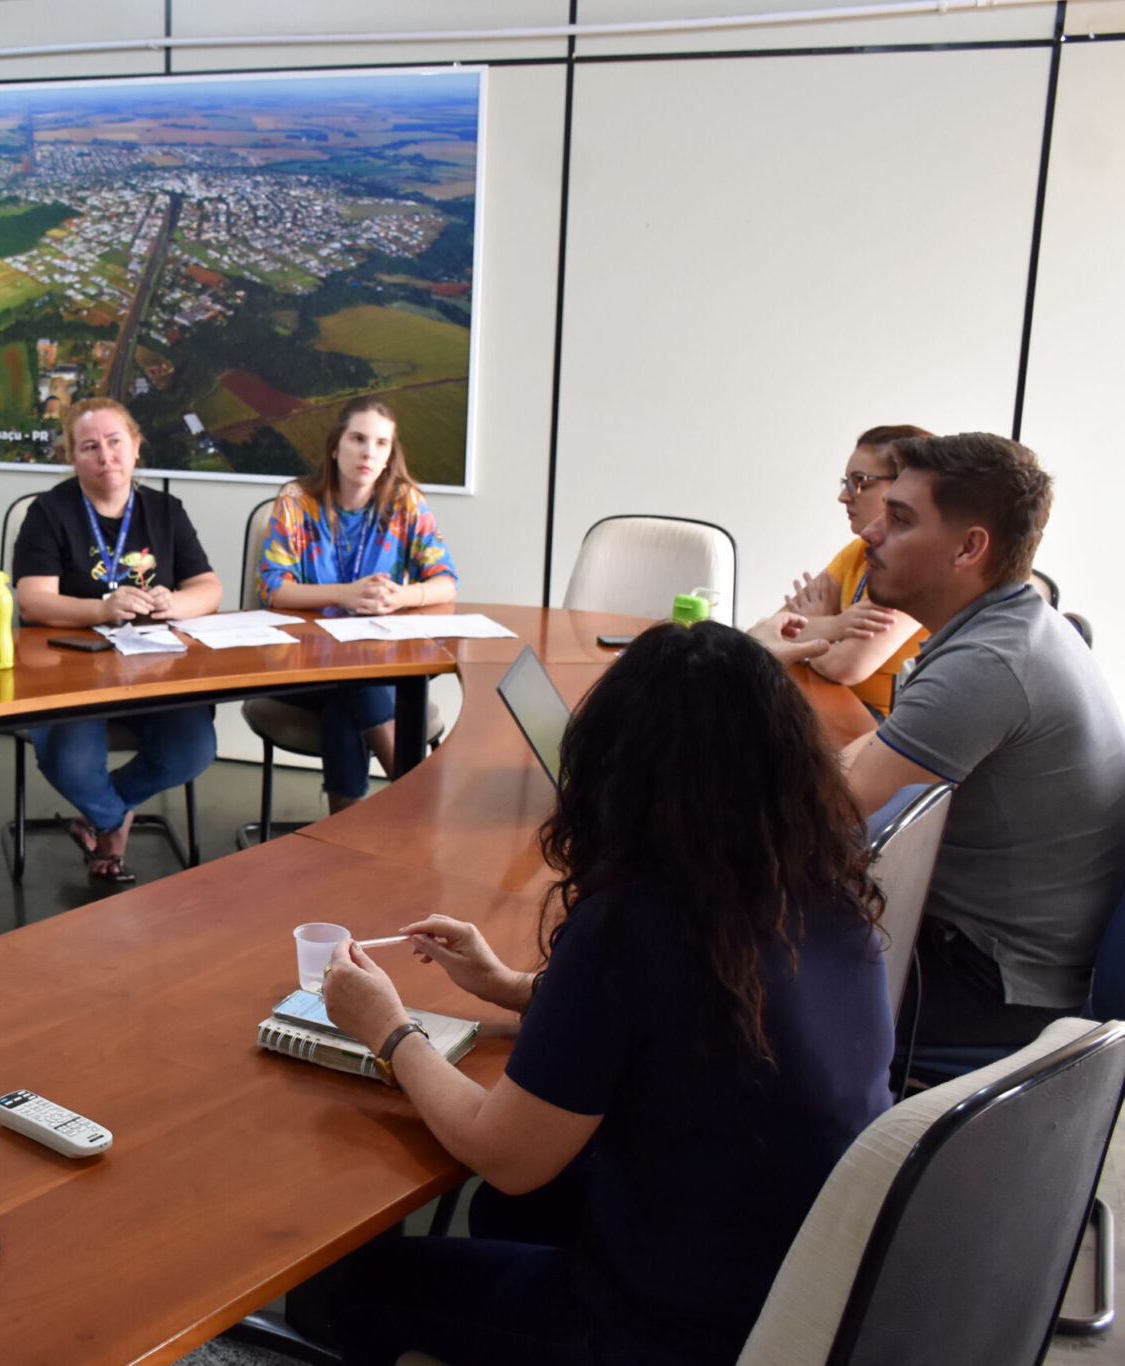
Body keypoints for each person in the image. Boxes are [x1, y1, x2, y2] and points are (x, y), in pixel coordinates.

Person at [316, 621, 892, 1365]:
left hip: (672, 1332)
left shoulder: (637, 921)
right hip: (804, 1279)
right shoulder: (822, 886)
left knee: (371, 1281)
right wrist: (511, 988)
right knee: (517, 1206)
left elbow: (505, 1152)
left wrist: (390, 1029)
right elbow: (683, 1028)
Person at [814, 432, 1125, 1050]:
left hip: (990, 985)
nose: (869, 534)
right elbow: (857, 768)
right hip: (991, 950)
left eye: (899, 520)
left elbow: (825, 810)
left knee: (724, 969)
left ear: (968, 548)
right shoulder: (1008, 627)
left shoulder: (988, 664)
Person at [11, 398, 223, 884]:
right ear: (72, 455)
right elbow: (32, 601)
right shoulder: (49, 512)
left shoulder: (166, 511)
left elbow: (209, 588)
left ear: (135, 448)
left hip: (153, 668)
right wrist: (100, 610)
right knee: (70, 763)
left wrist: (176, 604)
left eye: (114, 442)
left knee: (193, 747)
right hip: (70, 672)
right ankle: (112, 822)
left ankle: (104, 812)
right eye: (89, 447)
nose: (105, 456)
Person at [258, 396, 459, 810]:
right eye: (358, 439)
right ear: (336, 447)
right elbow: (273, 589)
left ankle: (344, 833)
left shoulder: (406, 503)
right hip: (304, 665)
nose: (369, 452)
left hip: (378, 661)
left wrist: (402, 595)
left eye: (381, 443)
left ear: (389, 456)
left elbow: (446, 582)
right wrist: (343, 594)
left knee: (348, 698)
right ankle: (418, 804)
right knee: (358, 684)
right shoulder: (297, 501)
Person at [778, 424, 932, 715]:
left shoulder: (918, 565)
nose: (844, 497)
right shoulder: (858, 550)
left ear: (905, 487)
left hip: (875, 723)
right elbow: (769, 633)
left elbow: (847, 666)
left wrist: (810, 631)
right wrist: (835, 626)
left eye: (859, 482)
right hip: (826, 700)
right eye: (846, 482)